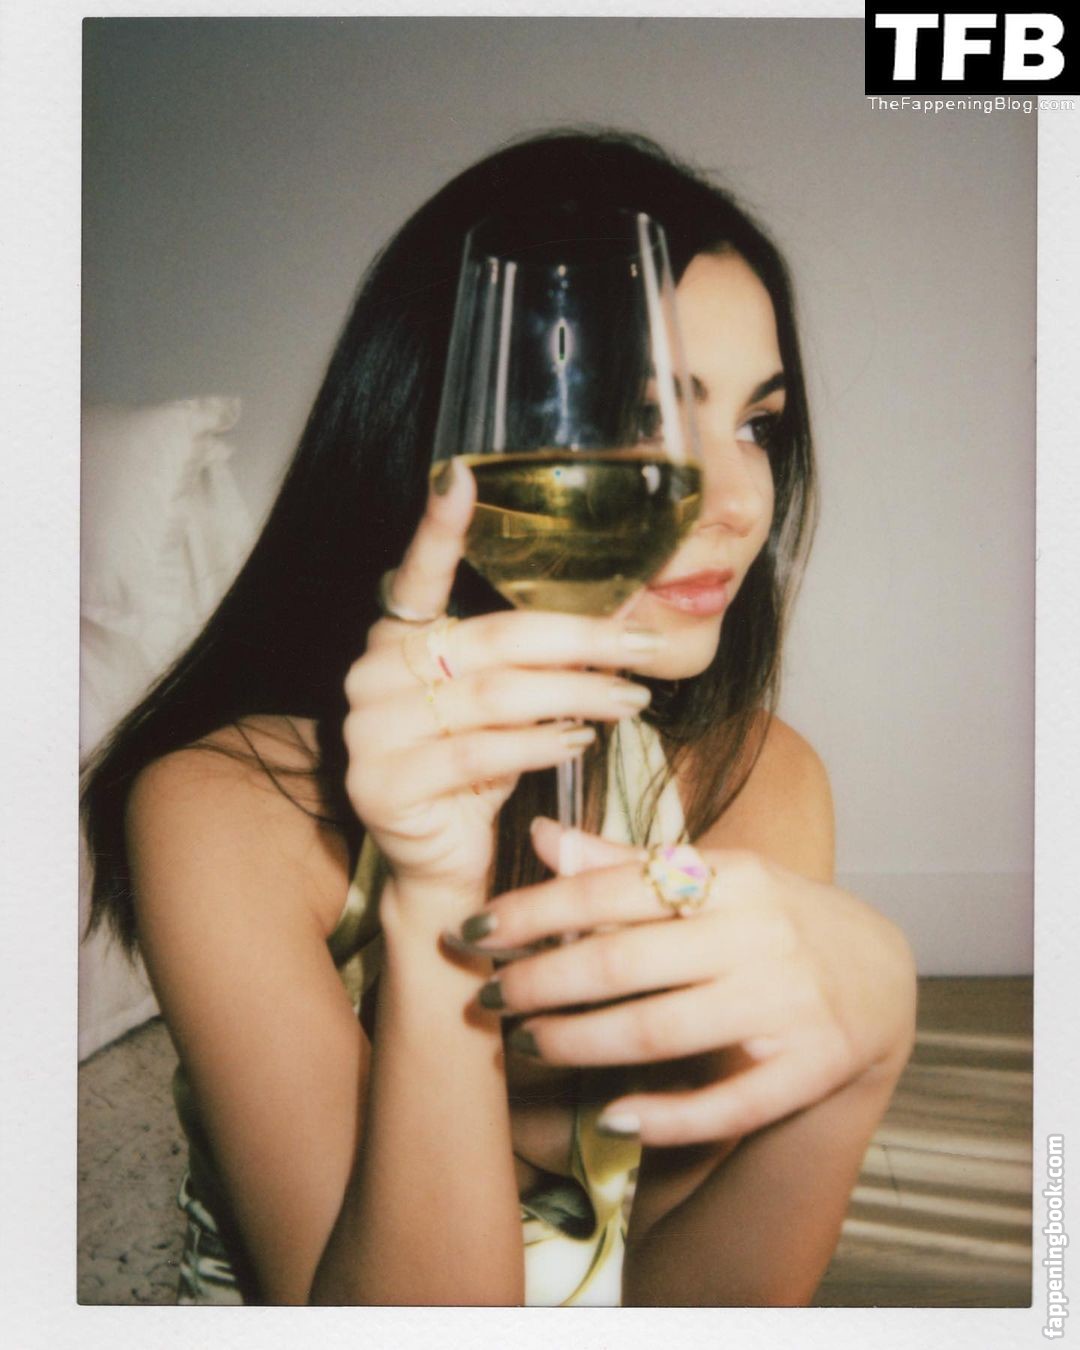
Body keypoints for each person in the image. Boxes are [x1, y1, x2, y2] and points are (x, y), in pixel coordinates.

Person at [80, 128, 917, 1307]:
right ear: (447, 432)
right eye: (643, 415)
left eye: (757, 424)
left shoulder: (756, 778)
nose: (737, 502)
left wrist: (856, 1075)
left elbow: (690, 1306)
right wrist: (433, 902)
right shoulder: (222, 809)